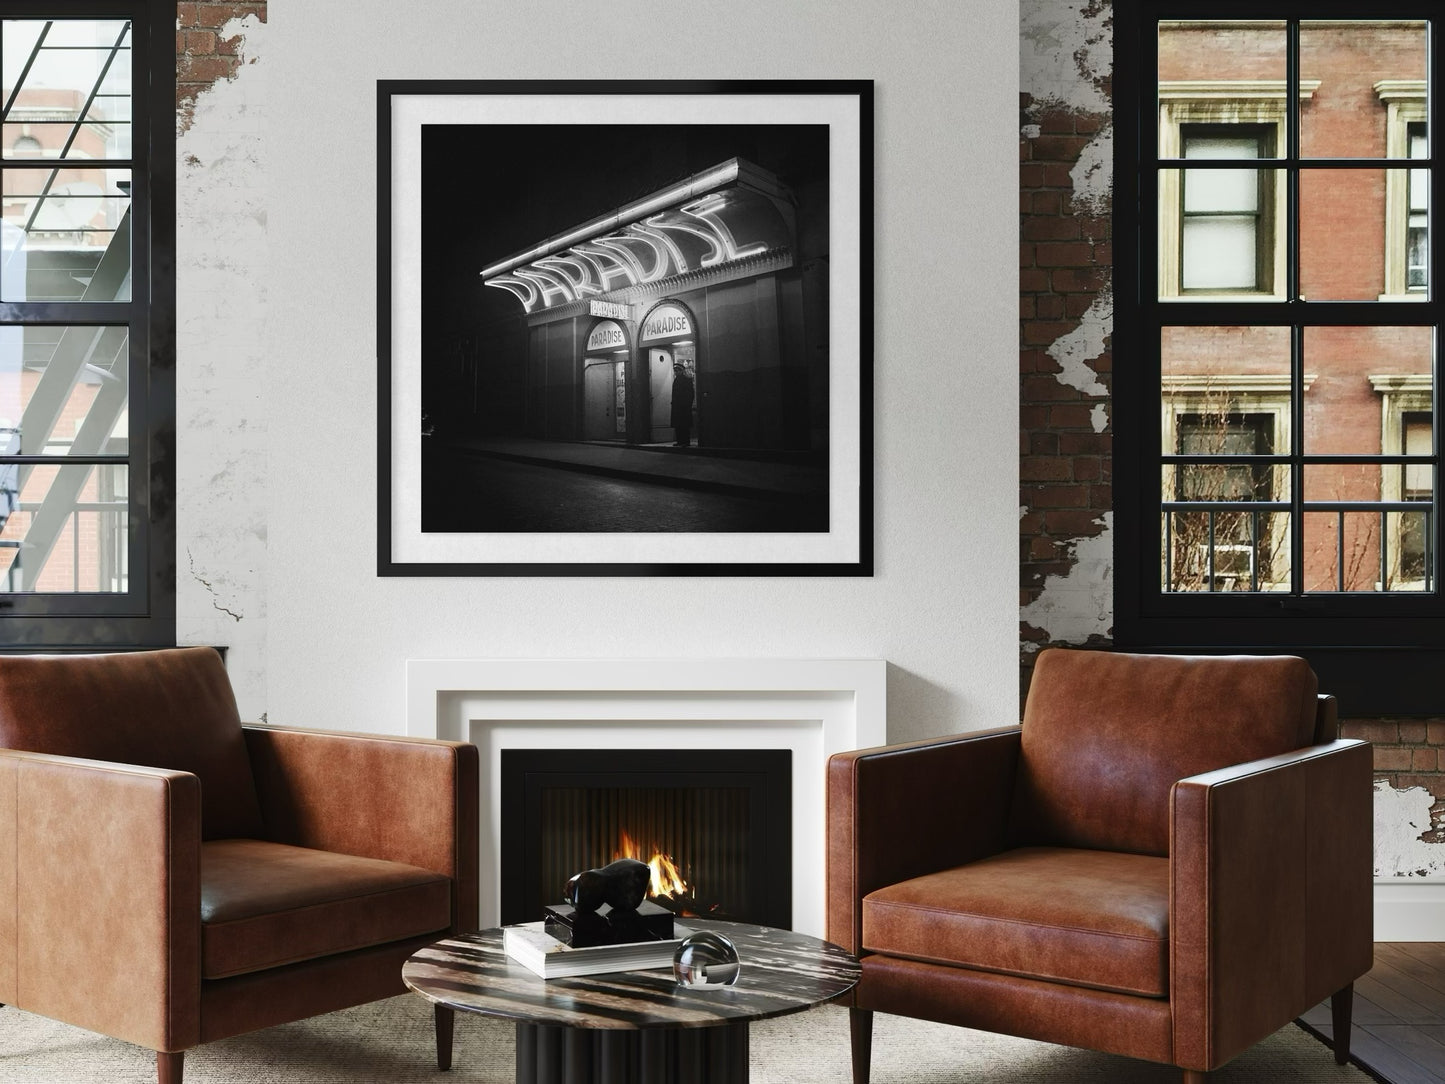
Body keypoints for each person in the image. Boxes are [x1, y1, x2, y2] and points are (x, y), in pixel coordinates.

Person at [670, 361, 694, 447]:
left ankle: (685, 442)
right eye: (675, 370)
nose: (676, 372)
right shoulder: (676, 380)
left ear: (681, 371)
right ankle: (680, 441)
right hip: (677, 407)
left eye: (677, 370)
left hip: (683, 407)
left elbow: (690, 394)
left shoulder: (686, 380)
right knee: (678, 425)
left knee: (684, 425)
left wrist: (687, 405)